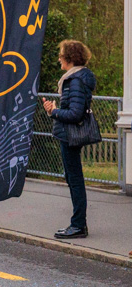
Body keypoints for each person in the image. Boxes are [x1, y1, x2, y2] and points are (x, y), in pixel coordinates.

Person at [43, 40, 97, 240]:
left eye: (61, 55)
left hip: (70, 136)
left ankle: (78, 225)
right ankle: (78, 223)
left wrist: (55, 111)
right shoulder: (76, 79)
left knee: (74, 180)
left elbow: (75, 114)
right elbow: (73, 110)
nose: (59, 59)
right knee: (73, 178)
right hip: (69, 134)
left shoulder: (75, 80)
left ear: (70, 58)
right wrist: (54, 111)